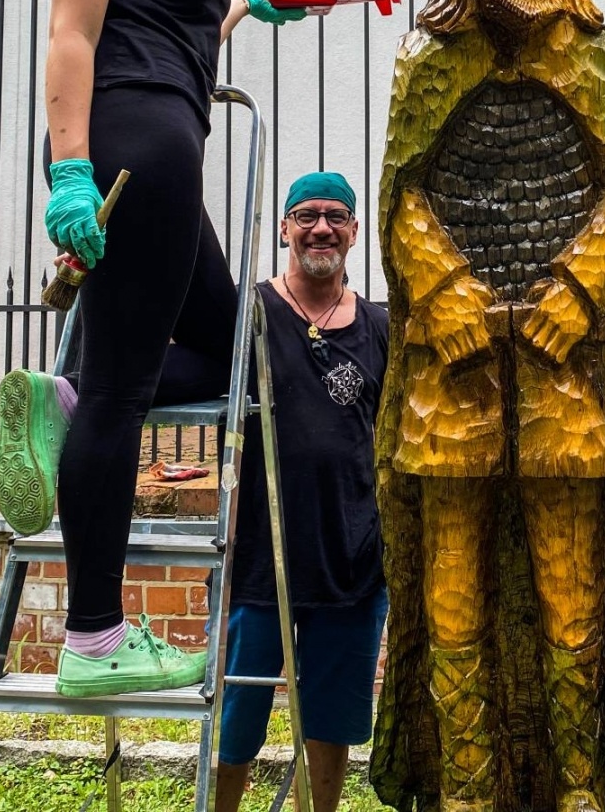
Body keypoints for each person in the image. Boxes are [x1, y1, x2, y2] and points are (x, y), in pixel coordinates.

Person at [0, 0, 303, 698]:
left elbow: (173, 19)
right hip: (133, 145)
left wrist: (246, 0)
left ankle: (67, 397)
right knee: (130, 390)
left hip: (168, 148)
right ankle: (93, 641)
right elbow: (73, 33)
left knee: (241, 345)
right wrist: (69, 173)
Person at [371, 0, 605, 811]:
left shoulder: (594, 58)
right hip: (450, 379)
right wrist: (442, 287)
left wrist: (578, 288)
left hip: (565, 378)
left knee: (573, 604)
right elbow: (402, 193)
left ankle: (578, 785)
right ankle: (464, 784)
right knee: (451, 599)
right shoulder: (426, 61)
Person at [214, 172, 389, 812]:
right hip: (260, 558)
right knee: (236, 719)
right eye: (307, 215)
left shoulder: (377, 326)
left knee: (332, 720)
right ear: (286, 228)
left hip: (351, 558)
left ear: (353, 232)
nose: (322, 227)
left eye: (336, 216)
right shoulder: (251, 311)